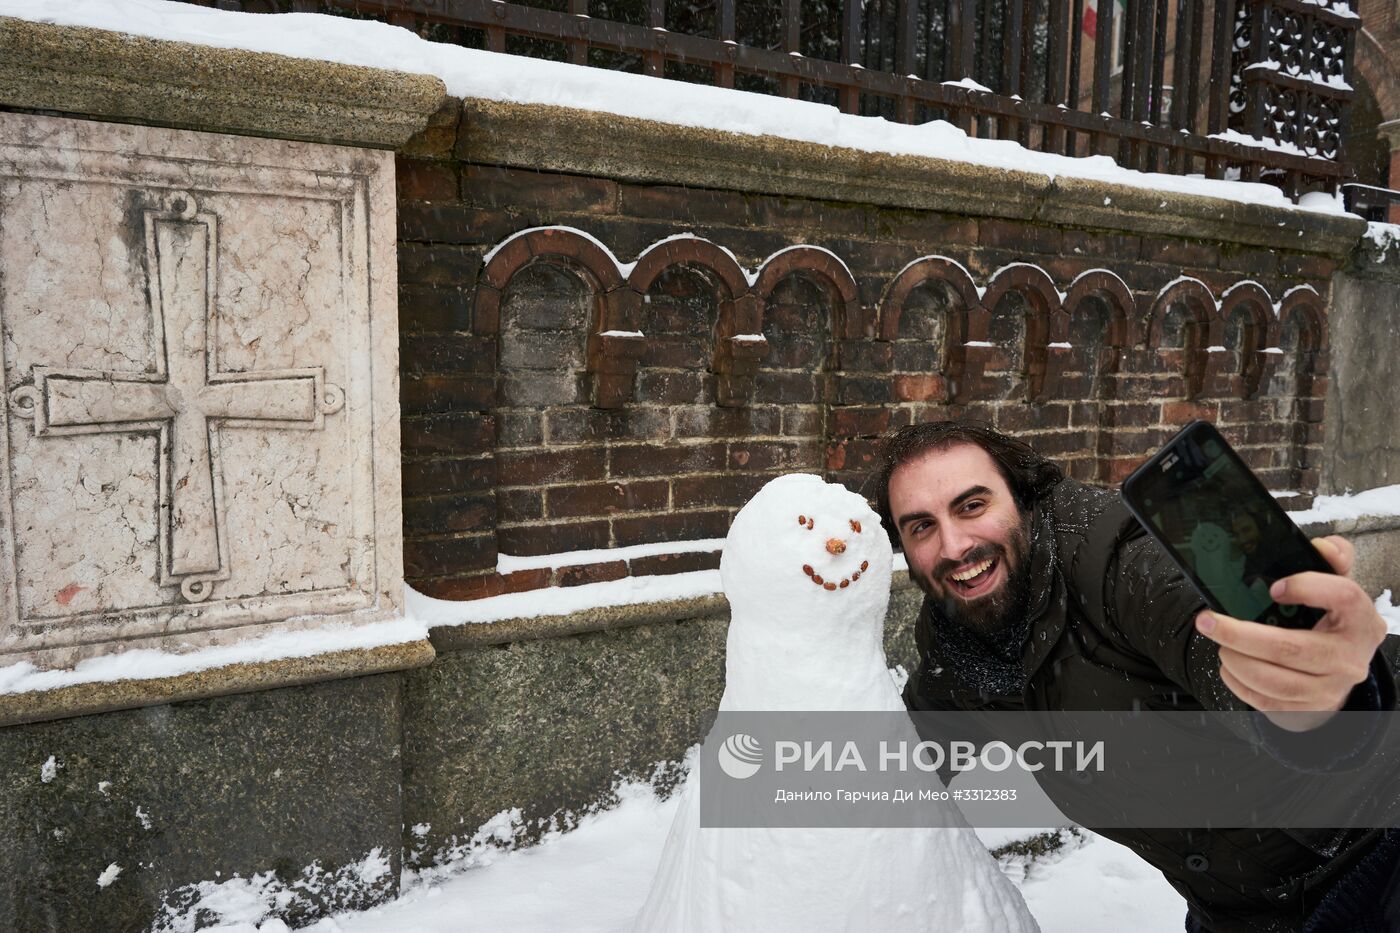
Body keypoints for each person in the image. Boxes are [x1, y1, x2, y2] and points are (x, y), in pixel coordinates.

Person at [871, 419, 1399, 933]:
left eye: (972, 505)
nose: (955, 546)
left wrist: (1313, 694)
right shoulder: (959, 643)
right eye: (921, 525)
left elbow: (1217, 651)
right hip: (1246, 909)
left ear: (1023, 499)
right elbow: (906, 756)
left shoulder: (1123, 560)